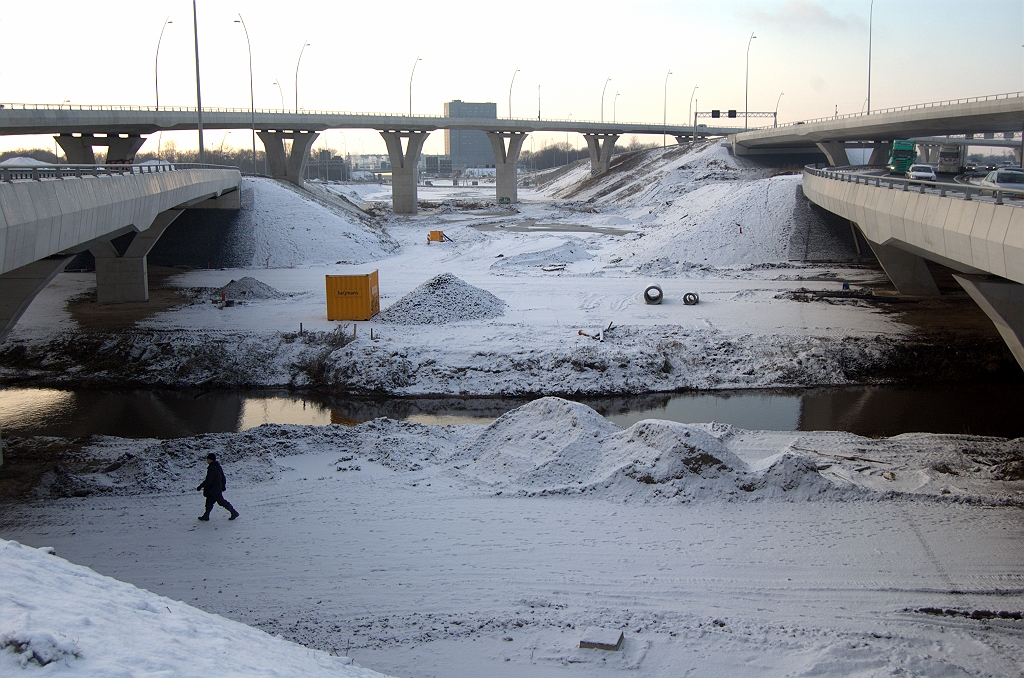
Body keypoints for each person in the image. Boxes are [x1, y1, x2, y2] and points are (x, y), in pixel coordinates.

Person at [197, 453, 239, 521]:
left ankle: (234, 512)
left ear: (210, 459)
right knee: (209, 502)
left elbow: (209, 480)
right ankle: (206, 515)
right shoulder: (217, 466)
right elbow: (223, 477)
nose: (207, 461)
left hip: (214, 489)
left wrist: (201, 486)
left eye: (207, 459)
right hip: (215, 488)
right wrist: (223, 485)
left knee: (221, 502)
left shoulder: (212, 468)